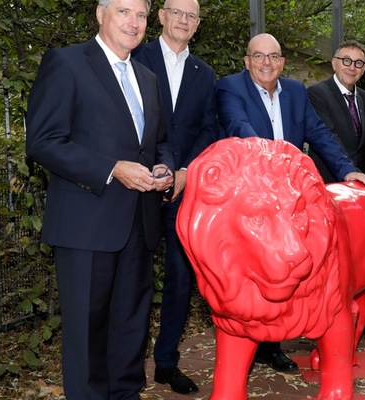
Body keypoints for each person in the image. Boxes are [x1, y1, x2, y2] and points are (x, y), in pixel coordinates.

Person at [25, 0, 174, 398]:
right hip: (85, 224)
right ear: (100, 14)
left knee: (130, 329)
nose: (134, 22)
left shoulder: (147, 77)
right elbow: (43, 142)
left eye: (141, 15)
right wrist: (113, 168)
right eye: (123, 11)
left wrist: (165, 169)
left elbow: (158, 144)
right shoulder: (66, 63)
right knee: (87, 338)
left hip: (139, 225)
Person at [215, 32, 365, 373]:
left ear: (283, 62)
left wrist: (348, 171)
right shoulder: (230, 87)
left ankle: (272, 345)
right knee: (256, 272)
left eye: (273, 56)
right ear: (247, 61)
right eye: (259, 57)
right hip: (253, 200)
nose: (267, 63)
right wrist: (276, 161)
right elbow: (237, 126)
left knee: (284, 268)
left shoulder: (296, 92)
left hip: (288, 200)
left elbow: (318, 134)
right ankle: (249, 341)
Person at [131, 0, 218, 394]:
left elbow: (207, 129)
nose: (183, 20)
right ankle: (129, 370)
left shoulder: (205, 73)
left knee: (181, 280)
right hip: (138, 186)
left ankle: (166, 362)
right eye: (176, 12)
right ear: (161, 16)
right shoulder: (135, 55)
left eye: (191, 15)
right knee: (133, 280)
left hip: (185, 190)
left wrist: (185, 173)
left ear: (197, 24)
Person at [306, 39, 365, 341]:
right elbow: (327, 139)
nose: (351, 67)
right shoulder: (317, 94)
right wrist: (350, 172)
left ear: (364, 69)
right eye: (346, 60)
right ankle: (327, 321)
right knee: (331, 257)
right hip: (330, 187)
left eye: (358, 63)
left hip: (360, 191)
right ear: (333, 63)